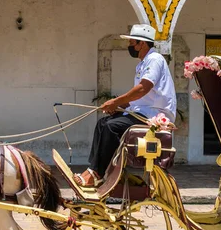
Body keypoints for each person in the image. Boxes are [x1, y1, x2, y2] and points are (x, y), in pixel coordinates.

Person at [74, 24, 177, 187]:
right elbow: (140, 96)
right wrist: (119, 106)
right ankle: (94, 169)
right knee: (102, 123)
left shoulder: (154, 59)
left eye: (131, 43)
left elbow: (143, 88)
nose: (129, 47)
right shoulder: (143, 63)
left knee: (111, 127)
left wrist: (116, 102)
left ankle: (98, 174)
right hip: (142, 112)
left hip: (153, 116)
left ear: (141, 44)